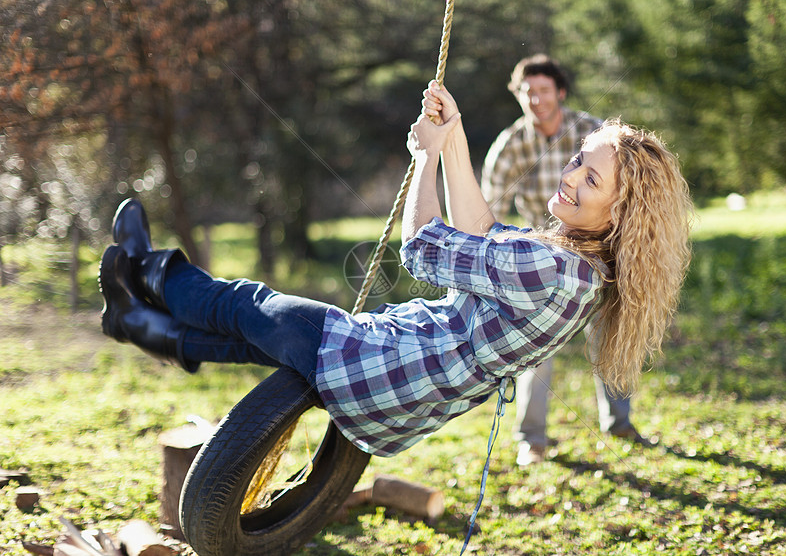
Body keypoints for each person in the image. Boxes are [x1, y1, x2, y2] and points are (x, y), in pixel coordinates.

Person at [99, 81, 692, 460]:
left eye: (590, 180)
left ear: (622, 213)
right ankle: (143, 326)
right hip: (398, 389)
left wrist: (426, 156)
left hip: (376, 364)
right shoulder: (584, 271)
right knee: (259, 342)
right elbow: (482, 233)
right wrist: (455, 138)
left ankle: (144, 270)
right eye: (575, 162)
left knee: (247, 306)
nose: (567, 178)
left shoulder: (554, 268)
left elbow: (425, 246)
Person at [482, 54, 644, 466]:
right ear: (518, 96)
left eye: (543, 90)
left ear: (561, 93)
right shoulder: (511, 144)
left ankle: (619, 422)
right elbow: (489, 203)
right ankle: (531, 439)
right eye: (527, 92)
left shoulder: (590, 132)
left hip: (596, 246)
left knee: (609, 331)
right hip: (542, 251)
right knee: (534, 346)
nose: (536, 99)